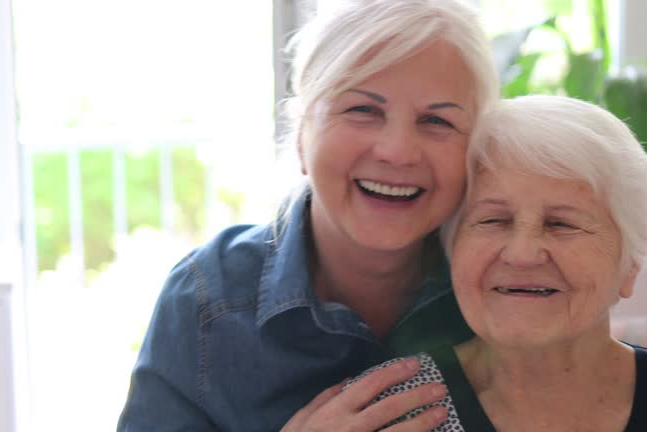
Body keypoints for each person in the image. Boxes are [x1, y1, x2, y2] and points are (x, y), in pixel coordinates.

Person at [116, 1, 499, 430]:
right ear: (300, 135)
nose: (396, 151)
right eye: (363, 110)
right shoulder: (206, 301)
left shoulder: (511, 288)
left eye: (436, 120)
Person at [351, 95, 647, 431]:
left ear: (631, 265)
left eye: (562, 224)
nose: (522, 254)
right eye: (493, 220)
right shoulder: (381, 412)